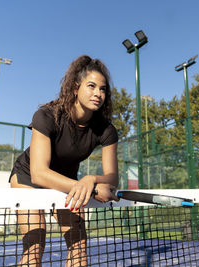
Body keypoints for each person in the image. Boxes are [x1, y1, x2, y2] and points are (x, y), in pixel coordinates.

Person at [9, 55, 120, 266]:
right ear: (75, 88)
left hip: (68, 182)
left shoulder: (106, 130)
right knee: (34, 246)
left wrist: (92, 180)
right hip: (28, 176)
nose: (98, 93)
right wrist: (89, 187)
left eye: (103, 89)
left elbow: (112, 177)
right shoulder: (47, 116)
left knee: (79, 249)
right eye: (91, 86)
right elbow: (39, 173)